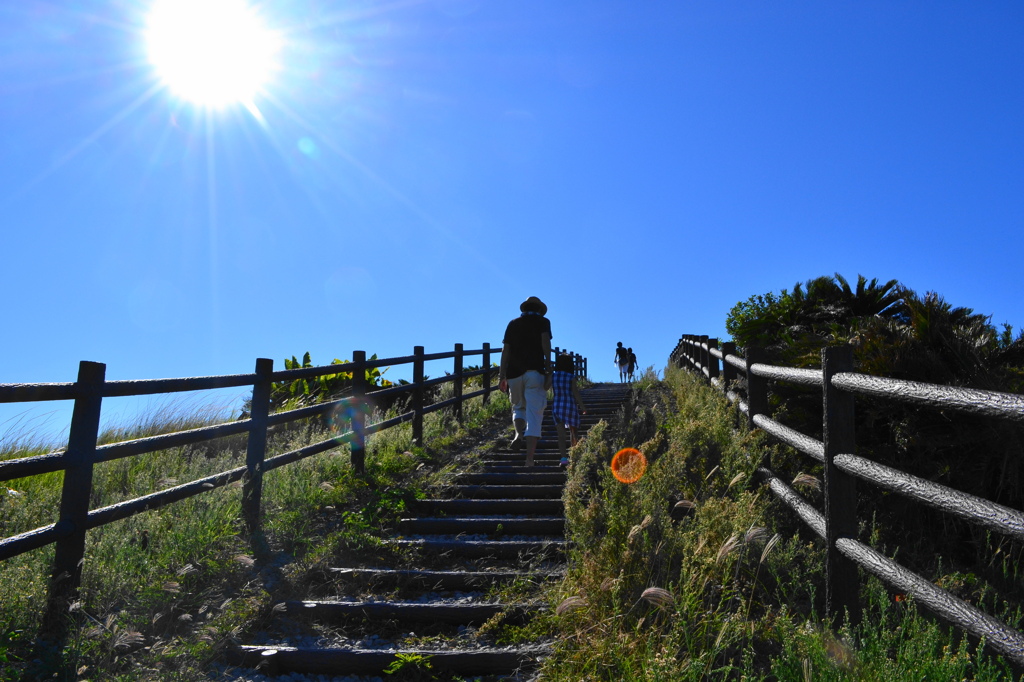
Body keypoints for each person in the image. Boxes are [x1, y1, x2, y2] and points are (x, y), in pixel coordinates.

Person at [498, 296, 552, 468]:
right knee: (534, 414)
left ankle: (518, 434)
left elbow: (506, 350)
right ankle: (529, 459)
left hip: (514, 373)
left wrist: (502, 375)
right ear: (539, 309)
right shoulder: (543, 322)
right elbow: (545, 343)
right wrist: (548, 367)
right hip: (534, 371)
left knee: (518, 408)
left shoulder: (512, 323)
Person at [551, 352, 586, 466]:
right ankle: (574, 456)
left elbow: (546, 387)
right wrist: (582, 406)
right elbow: (575, 393)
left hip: (557, 406)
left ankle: (563, 459)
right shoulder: (571, 377)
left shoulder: (553, 376)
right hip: (570, 405)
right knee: (573, 432)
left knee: (561, 435)